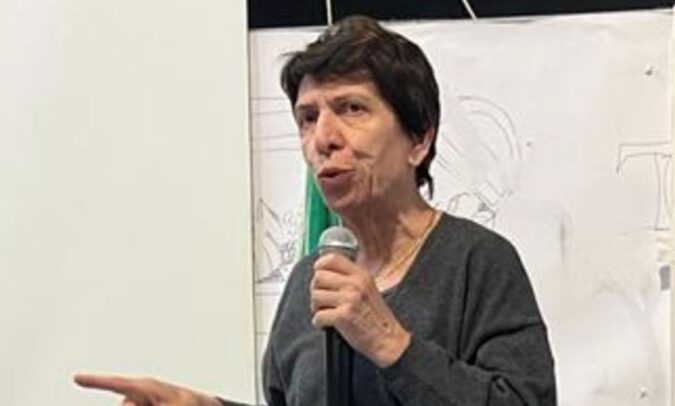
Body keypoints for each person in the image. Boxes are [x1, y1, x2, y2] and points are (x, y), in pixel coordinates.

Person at [75, 15, 556, 406]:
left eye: (351, 109)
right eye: (308, 117)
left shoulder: (478, 262)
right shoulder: (308, 278)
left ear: (419, 138)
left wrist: (391, 344)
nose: (323, 138)